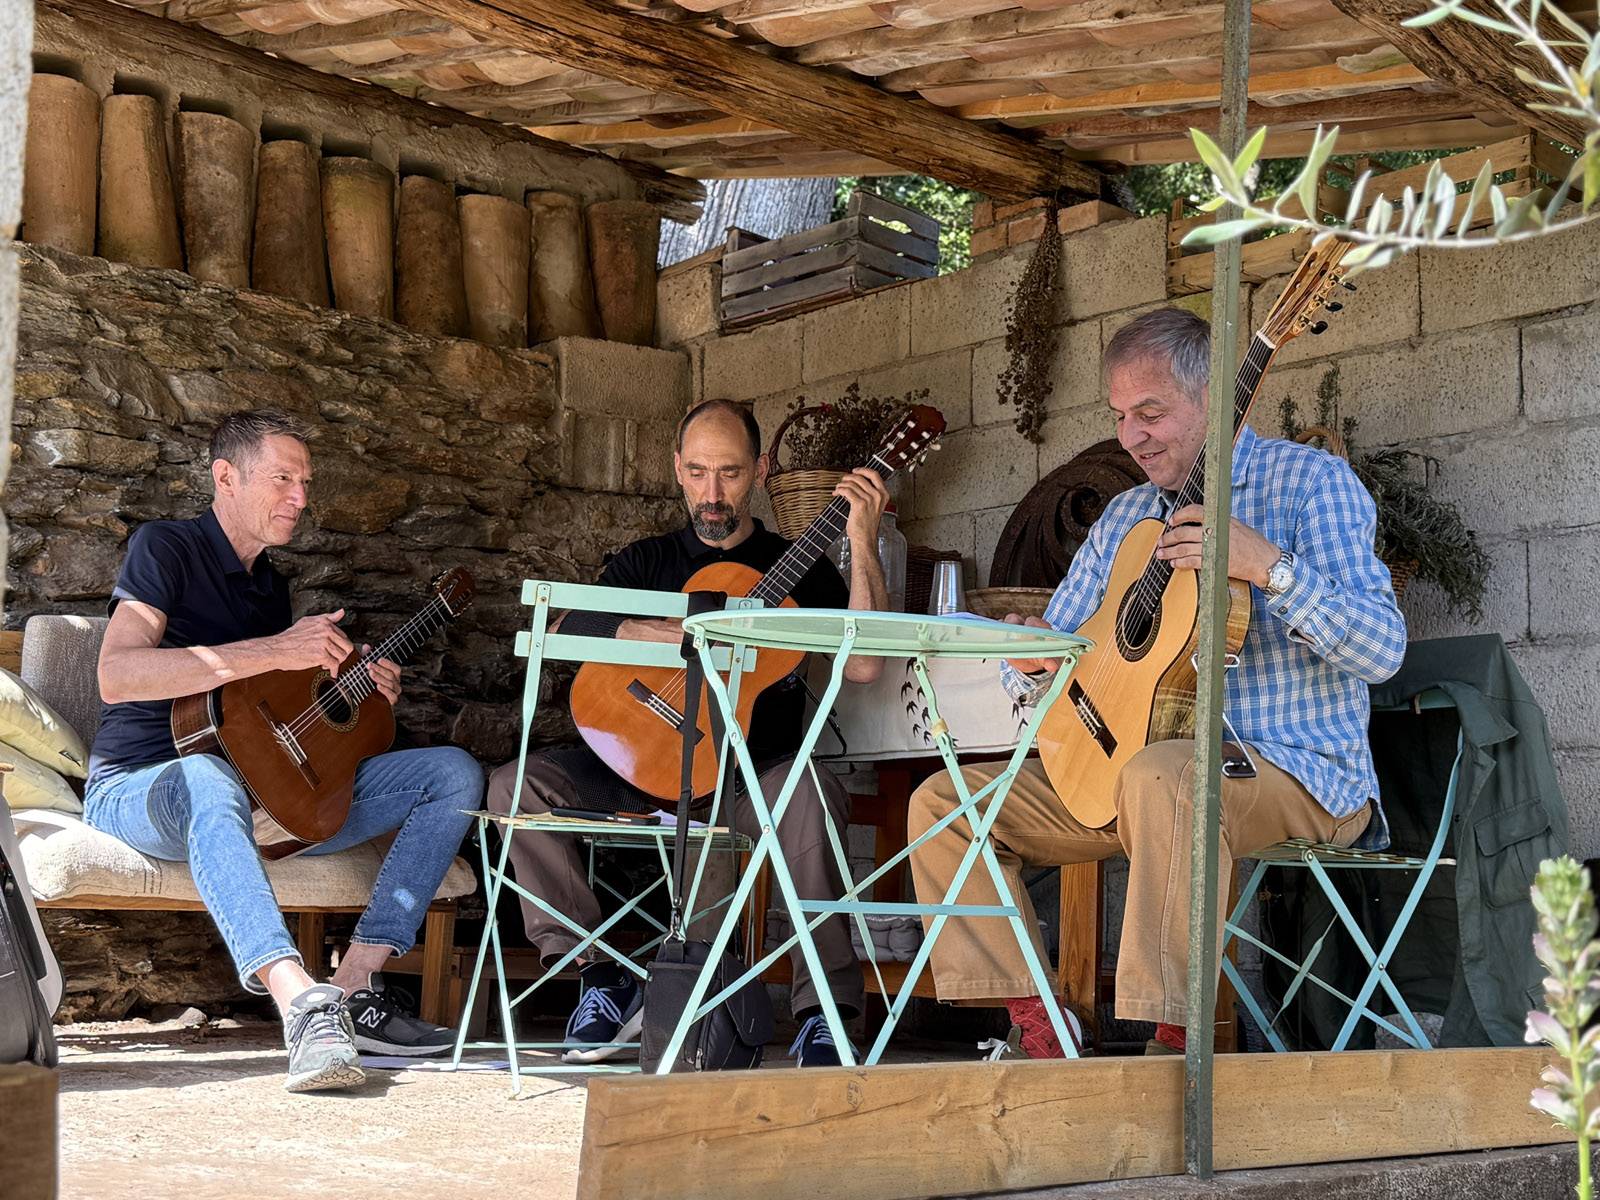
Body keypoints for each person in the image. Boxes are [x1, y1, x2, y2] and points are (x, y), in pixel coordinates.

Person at [907, 308, 1406, 1058]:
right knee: (946, 804)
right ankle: (1040, 1026)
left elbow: (1384, 648)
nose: (1130, 437)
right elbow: (1074, 651)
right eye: (1119, 416)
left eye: (1151, 412)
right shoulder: (1125, 517)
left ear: (1215, 397)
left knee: (1166, 776)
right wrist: (1042, 664)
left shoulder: (1311, 484)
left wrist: (1269, 567)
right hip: (1136, 775)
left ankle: (1172, 1043)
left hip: (1296, 773)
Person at [85, 408, 483, 1093]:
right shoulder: (165, 549)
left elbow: (269, 719)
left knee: (451, 773)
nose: (300, 498)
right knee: (209, 777)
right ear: (226, 478)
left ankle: (356, 983)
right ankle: (301, 1000)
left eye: (305, 482)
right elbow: (116, 676)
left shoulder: (271, 587)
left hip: (259, 798)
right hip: (140, 788)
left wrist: (357, 686)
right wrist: (274, 648)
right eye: (283, 479)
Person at [486, 398, 889, 1067]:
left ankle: (825, 1007)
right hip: (636, 768)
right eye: (697, 471)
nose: (712, 491)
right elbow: (551, 630)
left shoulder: (798, 564)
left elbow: (869, 664)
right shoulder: (644, 564)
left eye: (729, 473)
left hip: (748, 780)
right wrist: (645, 631)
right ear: (676, 468)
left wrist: (864, 542)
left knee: (808, 793)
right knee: (513, 787)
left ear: (759, 472)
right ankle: (601, 975)